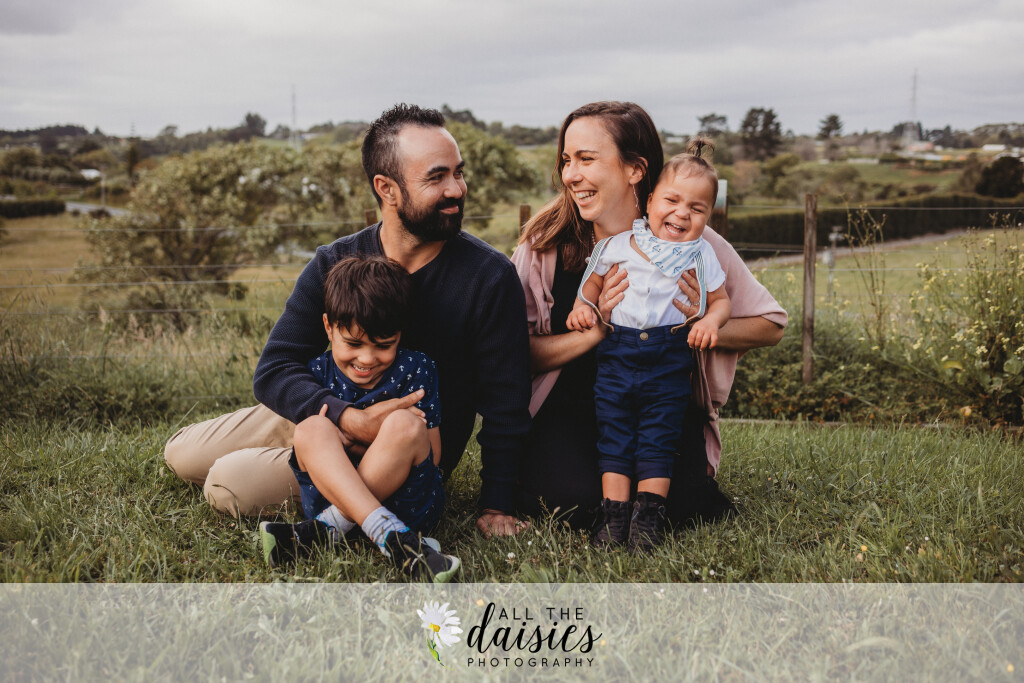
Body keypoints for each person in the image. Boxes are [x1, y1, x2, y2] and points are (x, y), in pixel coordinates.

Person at [164, 103, 531, 539]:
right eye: (437, 177)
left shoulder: (489, 277)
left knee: (226, 483)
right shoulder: (335, 261)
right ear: (387, 188)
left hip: (402, 449)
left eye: (459, 173)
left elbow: (506, 403)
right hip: (327, 408)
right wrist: (346, 418)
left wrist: (497, 503)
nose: (456, 189)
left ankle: (340, 510)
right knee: (180, 453)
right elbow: (276, 368)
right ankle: (309, 443)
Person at [511, 101, 787, 531]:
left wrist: (697, 323)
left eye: (586, 159)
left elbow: (770, 325)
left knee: (684, 504)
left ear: (635, 170)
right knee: (572, 501)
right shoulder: (543, 246)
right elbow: (514, 352)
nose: (570, 175)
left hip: (662, 398)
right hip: (571, 405)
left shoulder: (692, 244)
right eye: (566, 160)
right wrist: (591, 333)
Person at [566, 140, 732, 551]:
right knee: (615, 434)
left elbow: (721, 301)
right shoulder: (618, 244)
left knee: (659, 437)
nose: (682, 213)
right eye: (672, 200)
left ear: (708, 216)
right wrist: (582, 309)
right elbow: (591, 285)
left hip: (669, 358)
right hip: (617, 355)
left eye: (697, 208)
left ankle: (647, 519)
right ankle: (614, 517)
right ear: (651, 199)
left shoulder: (701, 254)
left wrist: (709, 321)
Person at [258, 256, 459, 582]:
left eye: (384, 345)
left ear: (400, 333)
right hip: (331, 494)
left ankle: (327, 529)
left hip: (406, 504)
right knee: (310, 428)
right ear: (328, 327)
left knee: (405, 423)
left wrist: (362, 443)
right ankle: (394, 538)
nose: (366, 358)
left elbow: (433, 455)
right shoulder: (316, 373)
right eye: (353, 343)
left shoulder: (417, 369)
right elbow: (313, 449)